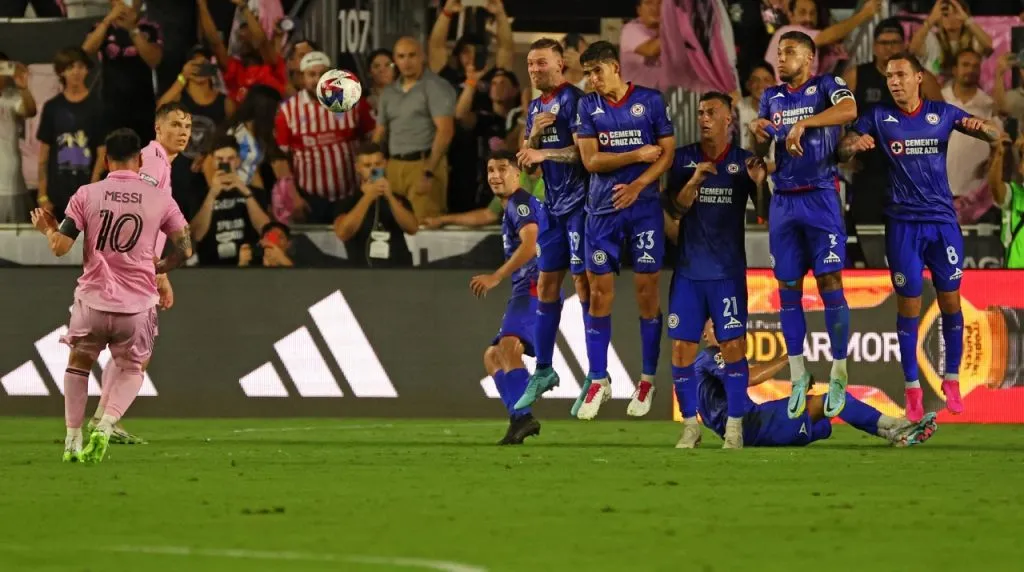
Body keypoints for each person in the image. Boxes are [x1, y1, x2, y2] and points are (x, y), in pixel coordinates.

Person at [840, 52, 1001, 421]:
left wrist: (990, 131)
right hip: (902, 226)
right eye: (889, 77)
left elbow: (986, 129)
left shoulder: (941, 114)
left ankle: (952, 378)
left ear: (918, 78)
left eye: (900, 75)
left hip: (943, 223)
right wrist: (853, 145)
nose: (894, 81)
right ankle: (912, 387)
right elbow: (842, 148)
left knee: (950, 302)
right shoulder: (879, 118)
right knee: (909, 307)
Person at [29, 128, 192, 463]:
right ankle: (104, 425)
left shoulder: (87, 193)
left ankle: (72, 438)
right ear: (141, 159)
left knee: (78, 365)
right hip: (135, 307)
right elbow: (185, 247)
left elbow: (60, 247)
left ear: (106, 160)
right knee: (132, 368)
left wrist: (47, 228)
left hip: (92, 302)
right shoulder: (160, 198)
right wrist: (160, 268)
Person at [749, 30, 856, 420]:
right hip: (785, 202)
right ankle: (798, 374)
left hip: (822, 198)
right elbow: (763, 150)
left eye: (790, 51)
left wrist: (804, 124)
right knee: (788, 289)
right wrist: (758, 135)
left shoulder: (828, 85)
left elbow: (849, 112)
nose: (781, 58)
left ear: (810, 58)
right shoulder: (772, 97)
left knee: (830, 283)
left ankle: (840, 371)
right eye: (779, 52)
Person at [571, 41, 676, 420]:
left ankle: (646, 380)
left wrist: (636, 186)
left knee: (647, 292)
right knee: (599, 294)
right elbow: (591, 160)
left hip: (644, 209)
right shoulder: (588, 106)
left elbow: (667, 153)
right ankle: (599, 379)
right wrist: (634, 155)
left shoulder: (649, 101)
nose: (593, 80)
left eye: (597, 71)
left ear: (615, 66)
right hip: (601, 211)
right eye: (588, 73)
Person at [663, 91, 767, 448]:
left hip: (727, 273)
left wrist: (759, 184)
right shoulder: (682, 160)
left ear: (728, 120)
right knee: (681, 349)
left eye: (712, 112)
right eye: (700, 112)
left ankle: (735, 426)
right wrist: (694, 181)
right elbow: (674, 212)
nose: (704, 118)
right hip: (689, 273)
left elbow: (764, 214)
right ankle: (690, 425)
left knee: (734, 346)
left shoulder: (743, 162)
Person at [91, 101, 193, 444]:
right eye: (175, 125)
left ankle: (103, 418)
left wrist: (160, 271)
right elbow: (136, 206)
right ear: (157, 129)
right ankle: (107, 420)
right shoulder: (152, 160)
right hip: (132, 266)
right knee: (137, 352)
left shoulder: (160, 163)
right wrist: (151, 267)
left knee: (128, 349)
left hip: (133, 265)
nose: (183, 132)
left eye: (187, 127)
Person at [686, 321, 938, 449]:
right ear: (705, 334)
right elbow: (746, 379)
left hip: (756, 425)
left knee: (825, 416)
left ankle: (895, 432)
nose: (722, 325)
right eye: (714, 322)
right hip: (755, 426)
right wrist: (788, 359)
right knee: (833, 401)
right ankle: (897, 428)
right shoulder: (710, 356)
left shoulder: (705, 365)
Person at [509, 39, 589, 411]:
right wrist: (535, 138)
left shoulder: (576, 100)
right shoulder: (535, 107)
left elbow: (585, 155)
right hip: (552, 206)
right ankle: (543, 369)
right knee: (545, 283)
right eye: (530, 63)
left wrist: (544, 149)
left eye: (542, 62)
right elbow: (527, 165)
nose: (535, 69)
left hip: (581, 205)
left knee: (584, 284)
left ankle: (596, 372)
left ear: (561, 64)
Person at [841, 19, 944, 229]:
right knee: (867, 233)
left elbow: (942, 121)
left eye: (895, 42)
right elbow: (835, 117)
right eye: (884, 43)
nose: (889, 48)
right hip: (868, 171)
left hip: (909, 174)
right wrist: (842, 154)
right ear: (874, 47)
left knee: (908, 234)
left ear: (904, 45)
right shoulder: (856, 76)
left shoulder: (921, 78)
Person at [473, 150, 544, 445]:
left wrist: (496, 276)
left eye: (503, 169)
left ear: (518, 174)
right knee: (492, 357)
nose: (495, 175)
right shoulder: (512, 207)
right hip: (524, 287)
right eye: (490, 170)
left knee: (507, 347)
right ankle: (519, 418)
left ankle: (524, 416)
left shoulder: (521, 203)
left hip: (533, 286)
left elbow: (529, 246)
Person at [275, 51, 376, 224]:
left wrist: (371, 182)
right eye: (311, 74)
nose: (317, 80)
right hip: (310, 199)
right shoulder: (288, 111)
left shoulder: (353, 101)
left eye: (322, 74)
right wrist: (294, 197)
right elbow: (279, 159)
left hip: (351, 195)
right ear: (302, 78)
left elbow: (372, 142)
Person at [372, 37, 456, 221]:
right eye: (401, 56)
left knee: (424, 225)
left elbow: (445, 131)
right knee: (392, 225)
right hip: (393, 166)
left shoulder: (436, 86)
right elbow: (380, 134)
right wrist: (371, 170)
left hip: (424, 163)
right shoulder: (388, 92)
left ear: (422, 57)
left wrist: (429, 171)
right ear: (395, 60)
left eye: (412, 55)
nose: (407, 61)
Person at [37, 47, 106, 221]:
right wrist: (43, 196)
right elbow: (43, 156)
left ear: (87, 70)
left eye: (80, 67)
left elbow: (102, 154)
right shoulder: (52, 107)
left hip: (87, 195)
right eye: (70, 67)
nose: (76, 72)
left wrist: (92, 191)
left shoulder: (98, 107)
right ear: (61, 72)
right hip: (56, 197)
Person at [81, 0, 163, 143]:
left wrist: (133, 29)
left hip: (143, 108)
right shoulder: (101, 28)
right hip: (110, 106)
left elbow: (154, 60)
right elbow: (86, 50)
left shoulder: (150, 28)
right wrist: (108, 21)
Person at [333, 142, 419, 268]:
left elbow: (412, 228)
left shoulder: (397, 198)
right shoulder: (347, 202)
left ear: (385, 164)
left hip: (398, 270)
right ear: (358, 168)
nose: (373, 170)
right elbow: (343, 233)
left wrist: (389, 197)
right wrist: (368, 197)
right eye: (367, 165)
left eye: (377, 164)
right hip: (362, 271)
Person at [191, 136, 272, 266]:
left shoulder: (255, 193)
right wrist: (212, 195)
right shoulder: (200, 195)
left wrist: (245, 191)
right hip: (210, 268)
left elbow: (266, 230)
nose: (225, 163)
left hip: (250, 267)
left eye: (230, 159)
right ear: (212, 161)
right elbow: (196, 235)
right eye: (220, 159)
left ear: (238, 161)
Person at [943, 50, 1000, 224]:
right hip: (942, 195)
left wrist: (992, 159)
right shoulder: (940, 99)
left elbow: (999, 144)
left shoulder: (989, 105)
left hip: (979, 201)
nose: (971, 70)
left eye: (975, 66)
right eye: (965, 65)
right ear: (954, 69)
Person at [156, 45, 235, 165]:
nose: (199, 69)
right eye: (195, 65)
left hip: (211, 169)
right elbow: (160, 110)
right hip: (179, 169)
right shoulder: (178, 98)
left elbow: (232, 139)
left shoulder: (225, 102)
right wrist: (183, 77)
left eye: (204, 65)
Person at [763, 0, 880, 80]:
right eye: (802, 12)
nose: (808, 18)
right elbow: (831, 35)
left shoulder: (813, 42)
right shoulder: (787, 32)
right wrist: (865, 14)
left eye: (812, 13)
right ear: (791, 15)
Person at [198, 0, 287, 102]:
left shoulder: (273, 65)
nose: (242, 35)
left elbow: (262, 41)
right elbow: (215, 43)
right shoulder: (235, 70)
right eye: (241, 31)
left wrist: (243, 6)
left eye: (248, 30)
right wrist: (202, 5)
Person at [909, 0, 993, 80]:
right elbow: (913, 49)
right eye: (945, 14)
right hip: (935, 91)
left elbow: (989, 47)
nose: (951, 17)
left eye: (956, 13)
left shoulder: (973, 41)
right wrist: (930, 20)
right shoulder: (932, 39)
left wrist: (967, 20)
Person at [0, 52, 37, 223]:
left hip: (9, 182)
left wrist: (23, 87)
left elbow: (30, 111)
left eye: (3, 68)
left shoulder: (11, 97)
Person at [987, 135, 1024, 269]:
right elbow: (996, 186)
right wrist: (998, 152)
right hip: (1016, 278)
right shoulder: (1013, 195)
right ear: (1020, 167)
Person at [619, 0, 663, 91]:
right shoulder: (630, 30)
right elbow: (651, 50)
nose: (655, 7)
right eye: (649, 3)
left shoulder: (665, 31)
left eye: (660, 3)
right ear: (639, 10)